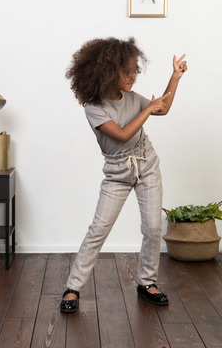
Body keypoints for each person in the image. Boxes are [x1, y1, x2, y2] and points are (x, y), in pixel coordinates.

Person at [60, 37, 187, 313]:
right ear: (107, 73)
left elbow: (161, 107)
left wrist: (175, 76)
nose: (132, 77)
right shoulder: (94, 107)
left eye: (134, 71)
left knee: (153, 227)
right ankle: (73, 287)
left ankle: (147, 283)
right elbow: (121, 135)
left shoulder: (132, 98)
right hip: (117, 171)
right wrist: (148, 110)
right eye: (126, 72)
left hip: (147, 163)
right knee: (99, 229)